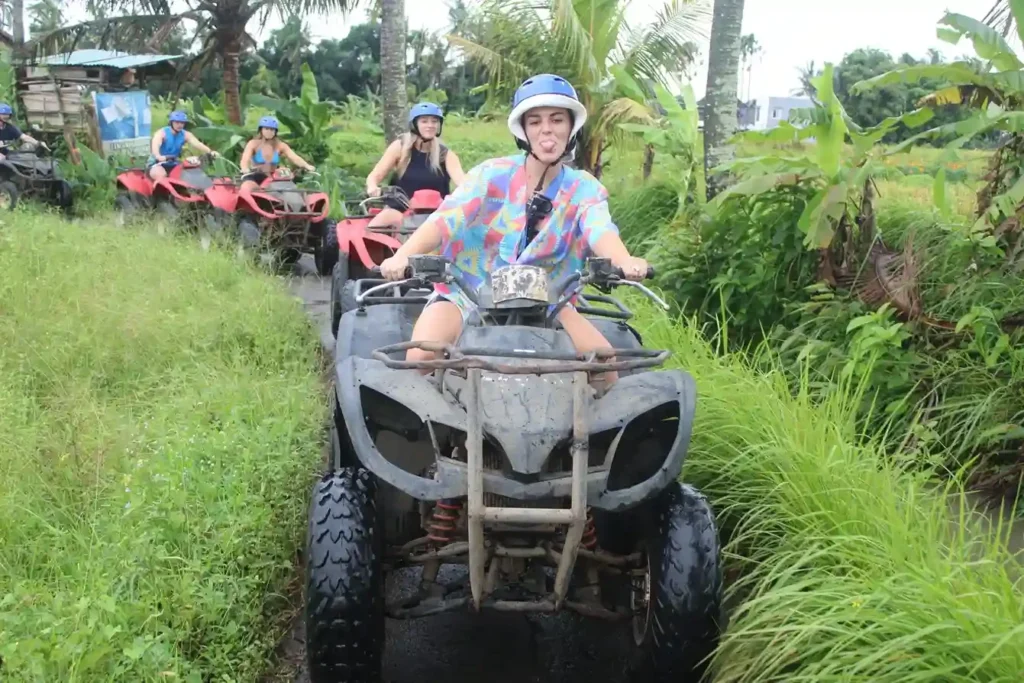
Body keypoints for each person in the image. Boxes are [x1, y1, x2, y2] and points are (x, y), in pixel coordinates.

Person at [379, 74, 649, 388]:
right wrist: (402, 255)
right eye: (535, 122)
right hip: (467, 292)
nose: (546, 129)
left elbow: (600, 229)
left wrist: (625, 260)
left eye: (557, 119)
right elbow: (445, 219)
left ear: (571, 127)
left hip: (548, 302)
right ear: (523, 131)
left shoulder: (584, 188)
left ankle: (585, 435)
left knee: (604, 365)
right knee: (422, 359)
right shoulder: (491, 175)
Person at [364, 102, 466, 229]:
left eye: (434, 121)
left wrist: (472, 192)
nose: (430, 125)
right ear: (414, 124)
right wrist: (372, 187)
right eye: (424, 121)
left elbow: (463, 183)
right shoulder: (400, 147)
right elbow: (375, 175)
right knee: (373, 228)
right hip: (401, 209)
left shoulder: (445, 154)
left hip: (437, 214)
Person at [239, 116, 316, 193]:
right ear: (261, 130)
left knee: (291, 189)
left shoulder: (280, 145)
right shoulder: (253, 143)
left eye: (272, 129)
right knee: (246, 187)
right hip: (256, 176)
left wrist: (307, 166)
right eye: (266, 129)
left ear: (275, 132)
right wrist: (245, 168)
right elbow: (245, 159)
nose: (269, 132)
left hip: (274, 177)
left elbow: (294, 157)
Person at [147, 110, 218, 181]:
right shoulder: (162, 133)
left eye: (182, 123)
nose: (180, 125)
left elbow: (198, 144)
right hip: (157, 163)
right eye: (177, 122)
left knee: (191, 175)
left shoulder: (186, 134)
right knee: (161, 175)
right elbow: (155, 145)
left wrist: (210, 152)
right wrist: (158, 156)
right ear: (171, 122)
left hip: (174, 162)